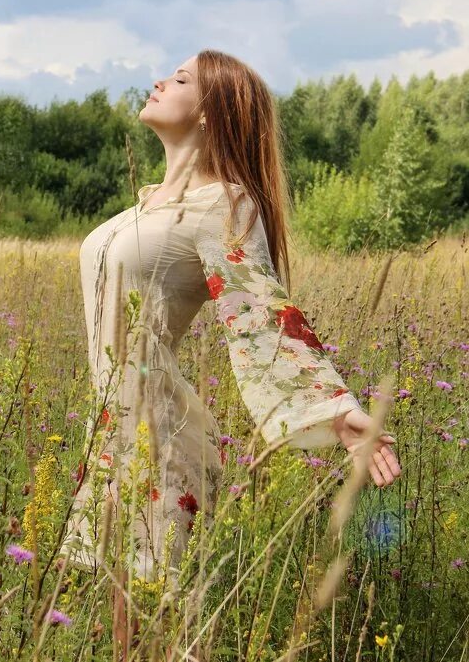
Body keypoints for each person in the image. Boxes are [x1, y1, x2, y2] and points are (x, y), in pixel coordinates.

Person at [60, 49, 401, 659]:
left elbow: (261, 315)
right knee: (125, 635)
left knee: (158, 634)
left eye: (180, 79)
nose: (159, 81)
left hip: (159, 443)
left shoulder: (224, 204)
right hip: (113, 431)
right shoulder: (147, 206)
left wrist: (338, 409)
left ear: (210, 113)